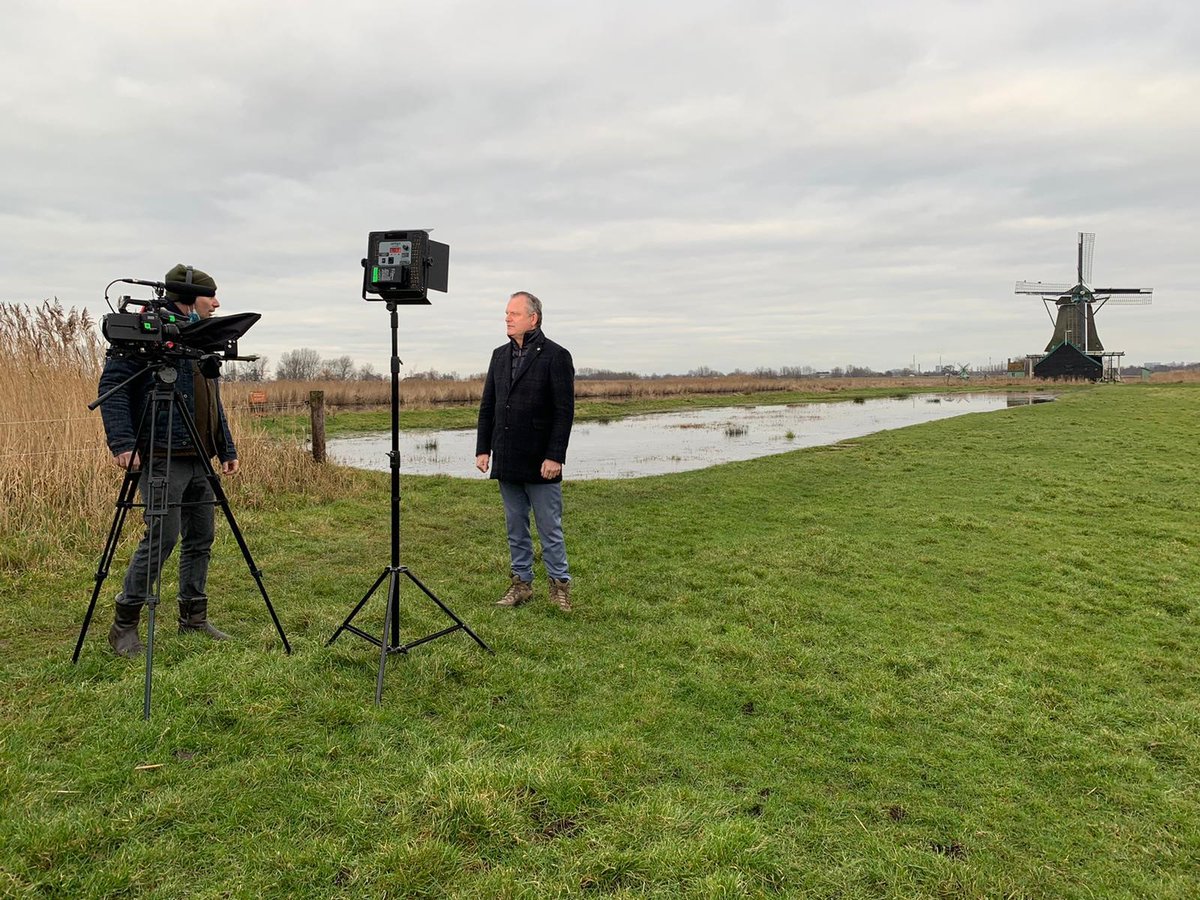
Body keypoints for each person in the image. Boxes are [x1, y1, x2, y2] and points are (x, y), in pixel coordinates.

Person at [98, 263, 239, 657]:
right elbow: (113, 387)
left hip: (200, 456)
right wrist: (123, 442)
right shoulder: (149, 333)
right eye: (211, 295)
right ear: (190, 297)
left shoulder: (200, 336)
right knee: (163, 537)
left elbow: (212, 398)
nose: (216, 303)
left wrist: (225, 448)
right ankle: (124, 626)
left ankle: (193, 618)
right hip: (161, 456)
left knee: (201, 538)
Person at [475, 291, 575, 611]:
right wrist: (483, 449)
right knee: (515, 526)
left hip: (541, 459)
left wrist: (555, 455)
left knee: (549, 527)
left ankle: (559, 586)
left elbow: (563, 411)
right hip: (506, 457)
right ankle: (521, 584)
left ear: (533, 318)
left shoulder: (556, 356)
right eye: (507, 313)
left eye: (514, 314)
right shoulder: (499, 356)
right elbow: (488, 406)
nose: (507, 318)